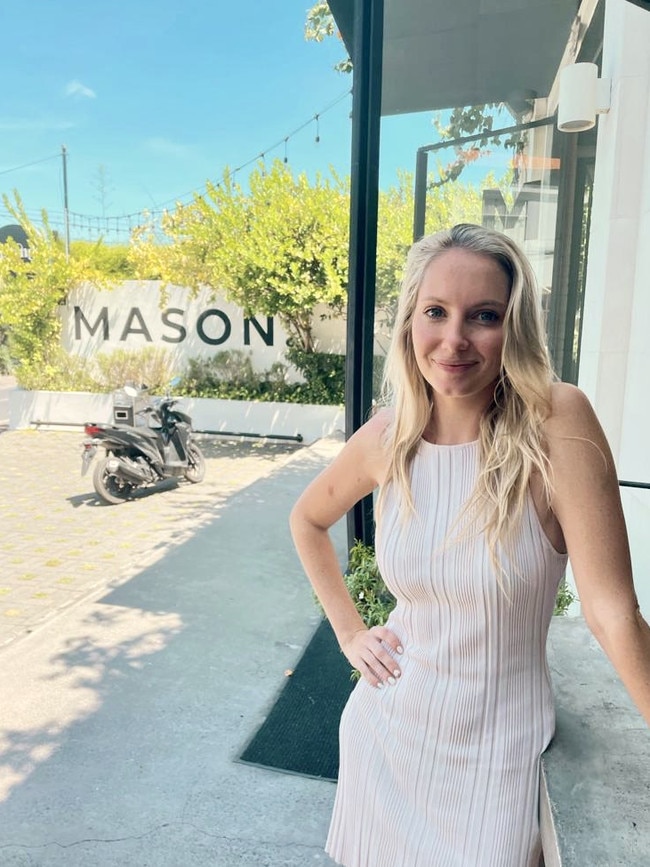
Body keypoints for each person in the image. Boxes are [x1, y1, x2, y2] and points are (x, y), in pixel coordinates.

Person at [289, 223, 650, 867]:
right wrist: (350, 633)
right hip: (387, 740)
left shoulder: (556, 421)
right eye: (436, 312)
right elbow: (307, 521)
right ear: (409, 322)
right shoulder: (387, 436)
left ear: (514, 328)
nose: (454, 340)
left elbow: (613, 613)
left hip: (500, 760)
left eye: (483, 316)